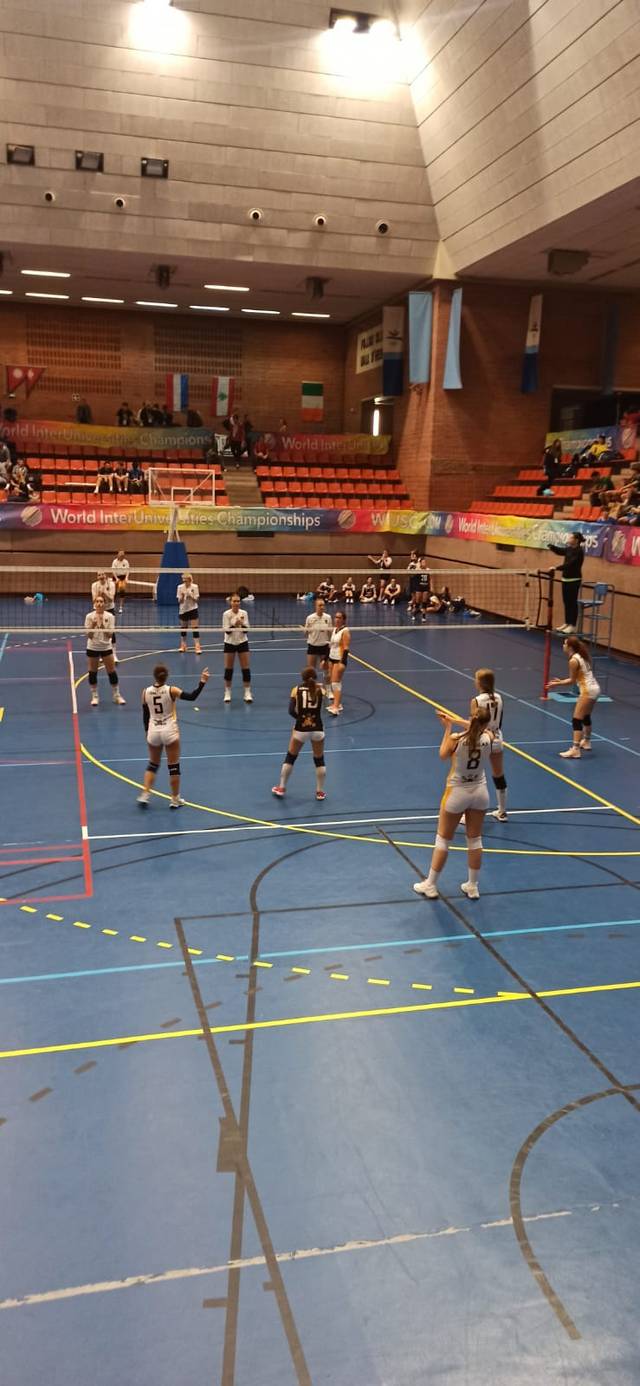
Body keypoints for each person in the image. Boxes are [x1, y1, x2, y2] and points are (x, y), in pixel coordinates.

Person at [413, 706, 493, 900]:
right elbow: (482, 729)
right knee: (475, 840)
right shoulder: (489, 738)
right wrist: (459, 721)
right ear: (485, 724)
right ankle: (472, 886)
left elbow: (442, 754)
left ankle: (431, 884)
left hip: (457, 793)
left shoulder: (457, 739)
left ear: (471, 720)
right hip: (480, 792)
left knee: (443, 839)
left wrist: (448, 727)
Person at [137, 663, 210, 809]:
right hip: (169, 730)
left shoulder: (145, 692)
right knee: (174, 767)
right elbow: (192, 697)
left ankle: (145, 794)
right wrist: (202, 681)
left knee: (153, 764)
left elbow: (145, 715)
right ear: (167, 676)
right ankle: (175, 799)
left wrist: (146, 731)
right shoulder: (171, 690)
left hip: (153, 730)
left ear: (155, 676)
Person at [272, 667, 326, 800]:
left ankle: (282, 787)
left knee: (291, 757)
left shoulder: (296, 690)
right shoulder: (321, 690)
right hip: (317, 728)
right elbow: (320, 693)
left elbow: (291, 710)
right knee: (319, 760)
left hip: (301, 729)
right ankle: (320, 792)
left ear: (302, 678)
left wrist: (300, 719)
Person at [547, 635, 601, 759]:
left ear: (570, 647)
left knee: (577, 719)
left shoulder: (573, 661)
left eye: (565, 644)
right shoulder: (582, 655)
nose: (563, 646)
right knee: (585, 716)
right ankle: (586, 741)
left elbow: (572, 680)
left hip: (587, 691)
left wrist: (558, 683)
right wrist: (560, 681)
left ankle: (575, 749)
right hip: (595, 688)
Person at [85, 594, 125, 707]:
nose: (99, 603)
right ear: (94, 604)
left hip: (106, 647)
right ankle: (95, 696)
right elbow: (89, 636)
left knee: (111, 672)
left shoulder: (110, 616)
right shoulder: (89, 616)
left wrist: (102, 625)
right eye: (97, 601)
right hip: (93, 647)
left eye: (101, 601)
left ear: (104, 604)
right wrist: (93, 625)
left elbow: (109, 635)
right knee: (92, 672)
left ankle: (116, 695)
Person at [548, 532, 585, 634]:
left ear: (576, 540)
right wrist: (551, 547)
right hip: (565, 579)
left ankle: (572, 625)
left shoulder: (579, 551)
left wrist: (556, 568)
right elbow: (560, 551)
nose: (568, 538)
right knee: (566, 602)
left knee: (572, 603)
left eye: (571, 537)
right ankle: (567, 622)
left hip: (574, 580)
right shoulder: (569, 549)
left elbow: (570, 564)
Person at [222, 592, 253, 703]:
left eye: (238, 601)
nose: (236, 603)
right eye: (234, 601)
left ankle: (247, 692)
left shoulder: (244, 613)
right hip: (229, 643)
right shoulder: (226, 614)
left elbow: (246, 630)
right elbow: (227, 631)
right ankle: (227, 692)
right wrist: (234, 624)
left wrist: (242, 624)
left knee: (245, 669)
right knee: (228, 669)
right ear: (230, 602)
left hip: (242, 642)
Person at [326, 611, 351, 716]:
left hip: (339, 659)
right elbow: (331, 645)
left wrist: (343, 663)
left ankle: (336, 707)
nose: (336, 619)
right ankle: (337, 703)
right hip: (332, 658)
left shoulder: (345, 631)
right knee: (332, 681)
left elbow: (346, 648)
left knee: (336, 682)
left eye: (339, 618)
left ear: (343, 620)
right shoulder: (335, 629)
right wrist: (325, 659)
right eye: (335, 617)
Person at [92, 571, 118, 660]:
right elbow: (94, 600)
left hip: (109, 609)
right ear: (97, 577)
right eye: (99, 575)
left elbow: (111, 599)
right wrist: (99, 594)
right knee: (99, 631)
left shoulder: (111, 584)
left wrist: (105, 592)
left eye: (102, 574)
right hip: (98, 609)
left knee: (111, 631)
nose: (101, 576)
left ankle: (114, 654)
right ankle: (100, 654)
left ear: (105, 575)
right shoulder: (94, 585)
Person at [304, 596, 333, 677]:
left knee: (326, 670)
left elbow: (330, 632)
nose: (322, 607)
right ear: (315, 606)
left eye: (323, 605)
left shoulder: (328, 617)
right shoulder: (310, 618)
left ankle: (327, 688)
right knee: (311, 671)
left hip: (324, 646)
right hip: (312, 646)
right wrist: (308, 628)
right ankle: (311, 687)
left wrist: (331, 643)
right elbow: (305, 633)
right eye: (320, 605)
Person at [177, 572, 201, 654]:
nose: (184, 582)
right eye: (183, 580)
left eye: (186, 580)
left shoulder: (195, 587)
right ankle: (183, 645)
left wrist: (191, 596)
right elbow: (179, 601)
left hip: (193, 609)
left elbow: (197, 600)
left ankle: (197, 646)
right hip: (183, 610)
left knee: (195, 627)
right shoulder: (180, 587)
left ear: (190, 580)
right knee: (184, 628)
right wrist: (183, 597)